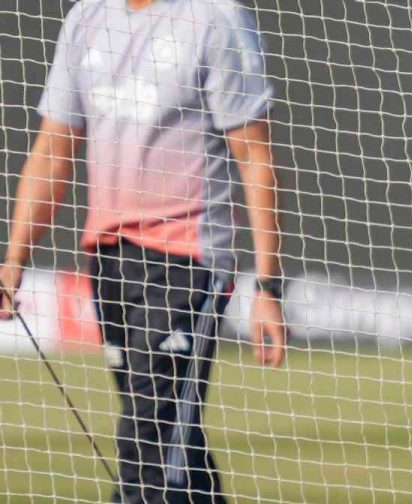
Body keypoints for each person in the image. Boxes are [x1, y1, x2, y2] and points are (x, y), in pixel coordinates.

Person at [0, 0, 287, 502]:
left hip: (189, 260)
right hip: (111, 259)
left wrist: (267, 285)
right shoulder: (86, 18)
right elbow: (52, 150)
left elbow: (254, 156)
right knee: (173, 441)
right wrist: (14, 258)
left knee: (149, 436)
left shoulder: (216, 18)